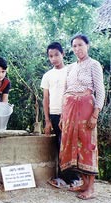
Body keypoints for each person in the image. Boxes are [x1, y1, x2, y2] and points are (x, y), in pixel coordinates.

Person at [59, 34, 105, 200]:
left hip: (86, 108)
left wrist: (95, 114)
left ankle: (91, 188)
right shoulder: (70, 67)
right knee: (73, 144)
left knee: (87, 144)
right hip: (70, 109)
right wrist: (63, 116)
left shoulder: (94, 65)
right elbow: (66, 90)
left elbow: (100, 90)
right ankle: (84, 183)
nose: (77, 49)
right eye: (74, 46)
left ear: (87, 46)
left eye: (80, 45)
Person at [41, 42, 79, 188]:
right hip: (54, 114)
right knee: (59, 146)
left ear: (63, 54)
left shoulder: (70, 71)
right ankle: (62, 177)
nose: (54, 58)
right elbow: (46, 99)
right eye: (51, 56)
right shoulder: (47, 75)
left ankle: (74, 178)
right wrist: (47, 121)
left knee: (70, 146)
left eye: (56, 55)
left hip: (69, 114)